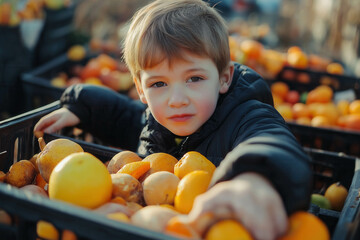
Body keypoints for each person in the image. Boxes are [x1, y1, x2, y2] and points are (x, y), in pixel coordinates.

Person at [34, 0, 312, 239]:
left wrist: (255, 176)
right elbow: (125, 118)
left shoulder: (245, 116)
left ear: (224, 78)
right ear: (140, 89)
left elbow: (273, 141)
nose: (176, 99)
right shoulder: (156, 123)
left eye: (194, 79)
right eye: (158, 84)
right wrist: (81, 107)